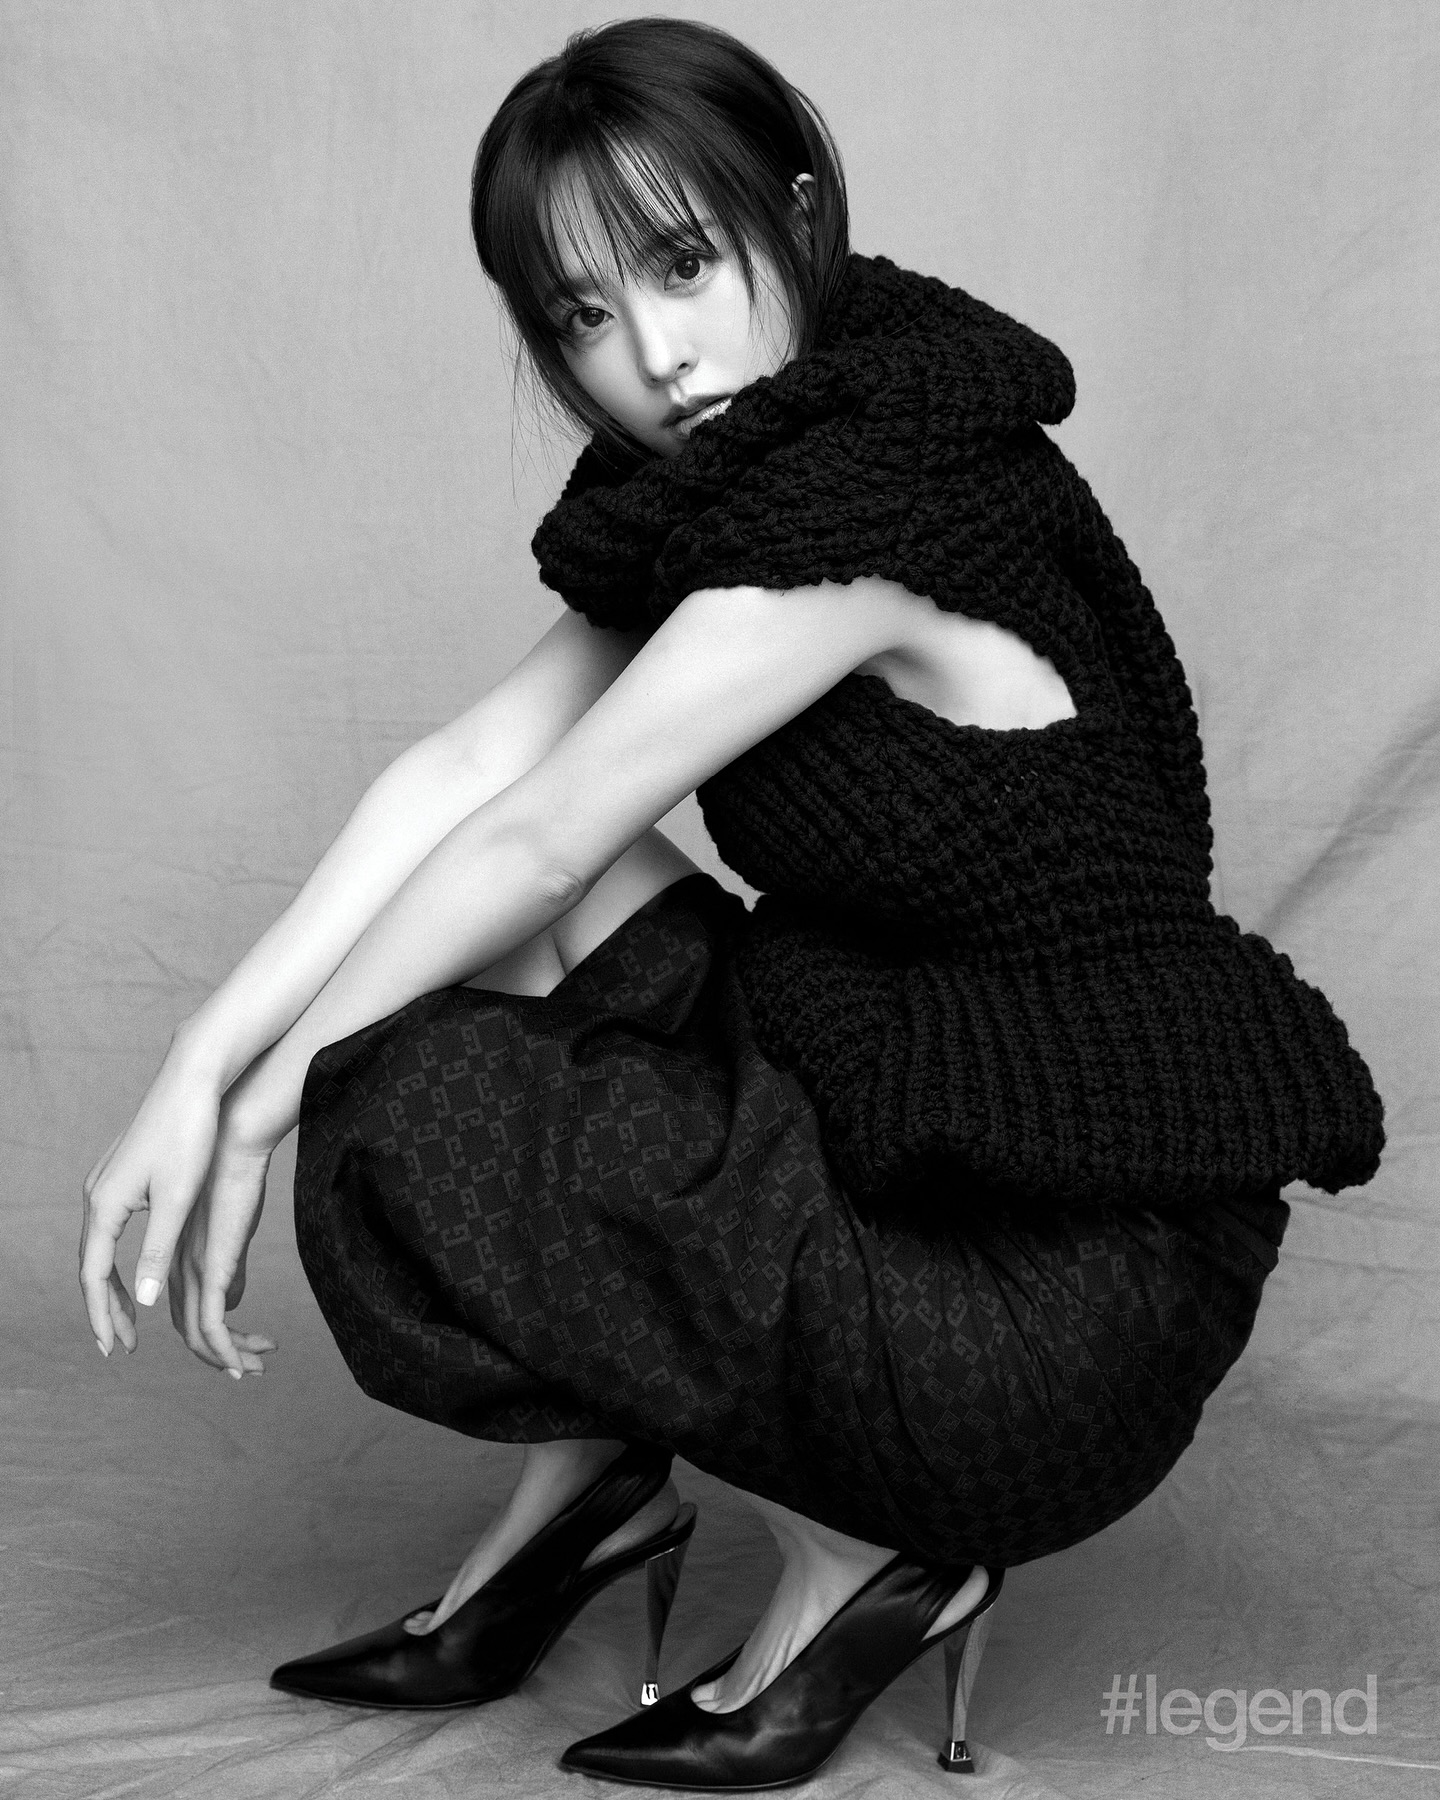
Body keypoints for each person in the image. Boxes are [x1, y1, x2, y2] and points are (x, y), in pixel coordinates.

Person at [78, 17, 1384, 1791]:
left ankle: (876, 1554)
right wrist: (200, 1057)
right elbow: (470, 774)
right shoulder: (777, 452)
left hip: (1051, 1295)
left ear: (801, 211)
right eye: (583, 315)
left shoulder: (873, 498)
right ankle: (584, 1499)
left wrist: (265, 1105)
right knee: (500, 921)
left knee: (414, 1083)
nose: (654, 357)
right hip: (912, 1120)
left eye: (685, 264)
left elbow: (541, 839)